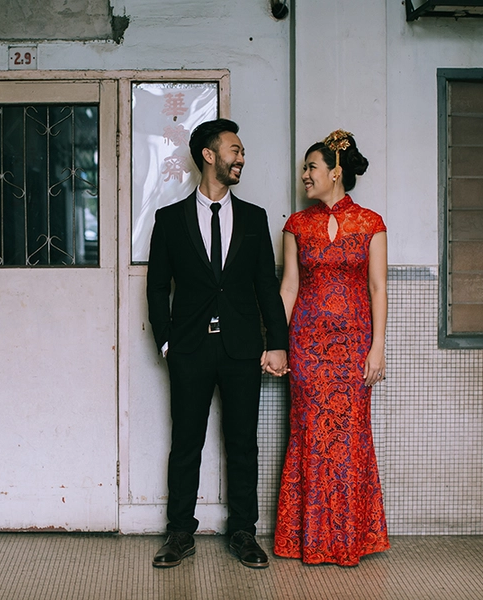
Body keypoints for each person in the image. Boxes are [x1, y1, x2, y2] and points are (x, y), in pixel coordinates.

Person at [146, 118, 289, 569]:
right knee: (185, 443)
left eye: (242, 151)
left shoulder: (254, 217)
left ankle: (243, 532)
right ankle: (179, 532)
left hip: (242, 348)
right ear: (209, 155)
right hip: (189, 349)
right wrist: (166, 343)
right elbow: (157, 288)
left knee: (243, 444)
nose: (241, 157)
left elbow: (266, 286)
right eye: (234, 149)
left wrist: (277, 342)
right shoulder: (169, 220)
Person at [273, 130, 390, 566]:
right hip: (307, 348)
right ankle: (308, 539)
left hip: (355, 348)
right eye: (304, 168)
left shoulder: (371, 223)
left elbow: (378, 288)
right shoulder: (296, 225)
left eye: (311, 167)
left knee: (351, 437)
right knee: (308, 434)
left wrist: (377, 348)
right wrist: (277, 344)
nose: (305, 175)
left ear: (335, 172)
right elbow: (288, 288)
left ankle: (348, 539)